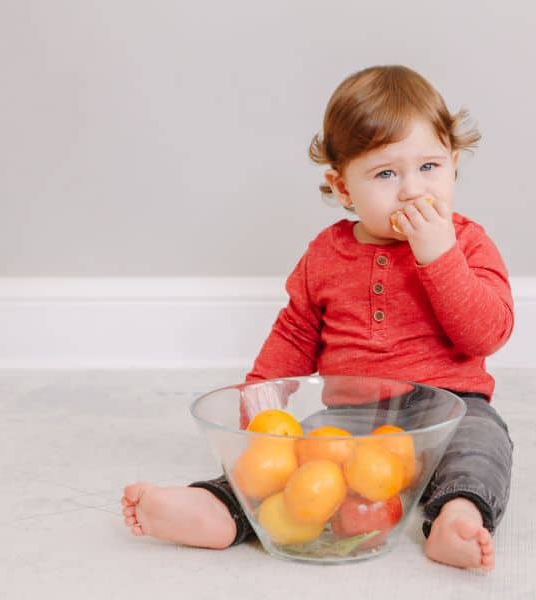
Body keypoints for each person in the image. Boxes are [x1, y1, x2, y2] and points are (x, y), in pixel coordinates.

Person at [121, 64, 515, 571]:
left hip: (447, 412)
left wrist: (439, 256)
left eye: (430, 167)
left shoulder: (467, 243)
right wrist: (258, 412)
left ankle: (457, 516)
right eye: (386, 174)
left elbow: (487, 332)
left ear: (455, 164)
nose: (413, 189)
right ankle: (221, 508)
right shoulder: (326, 255)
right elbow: (295, 332)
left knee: (482, 447)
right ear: (343, 187)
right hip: (350, 420)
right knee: (295, 463)